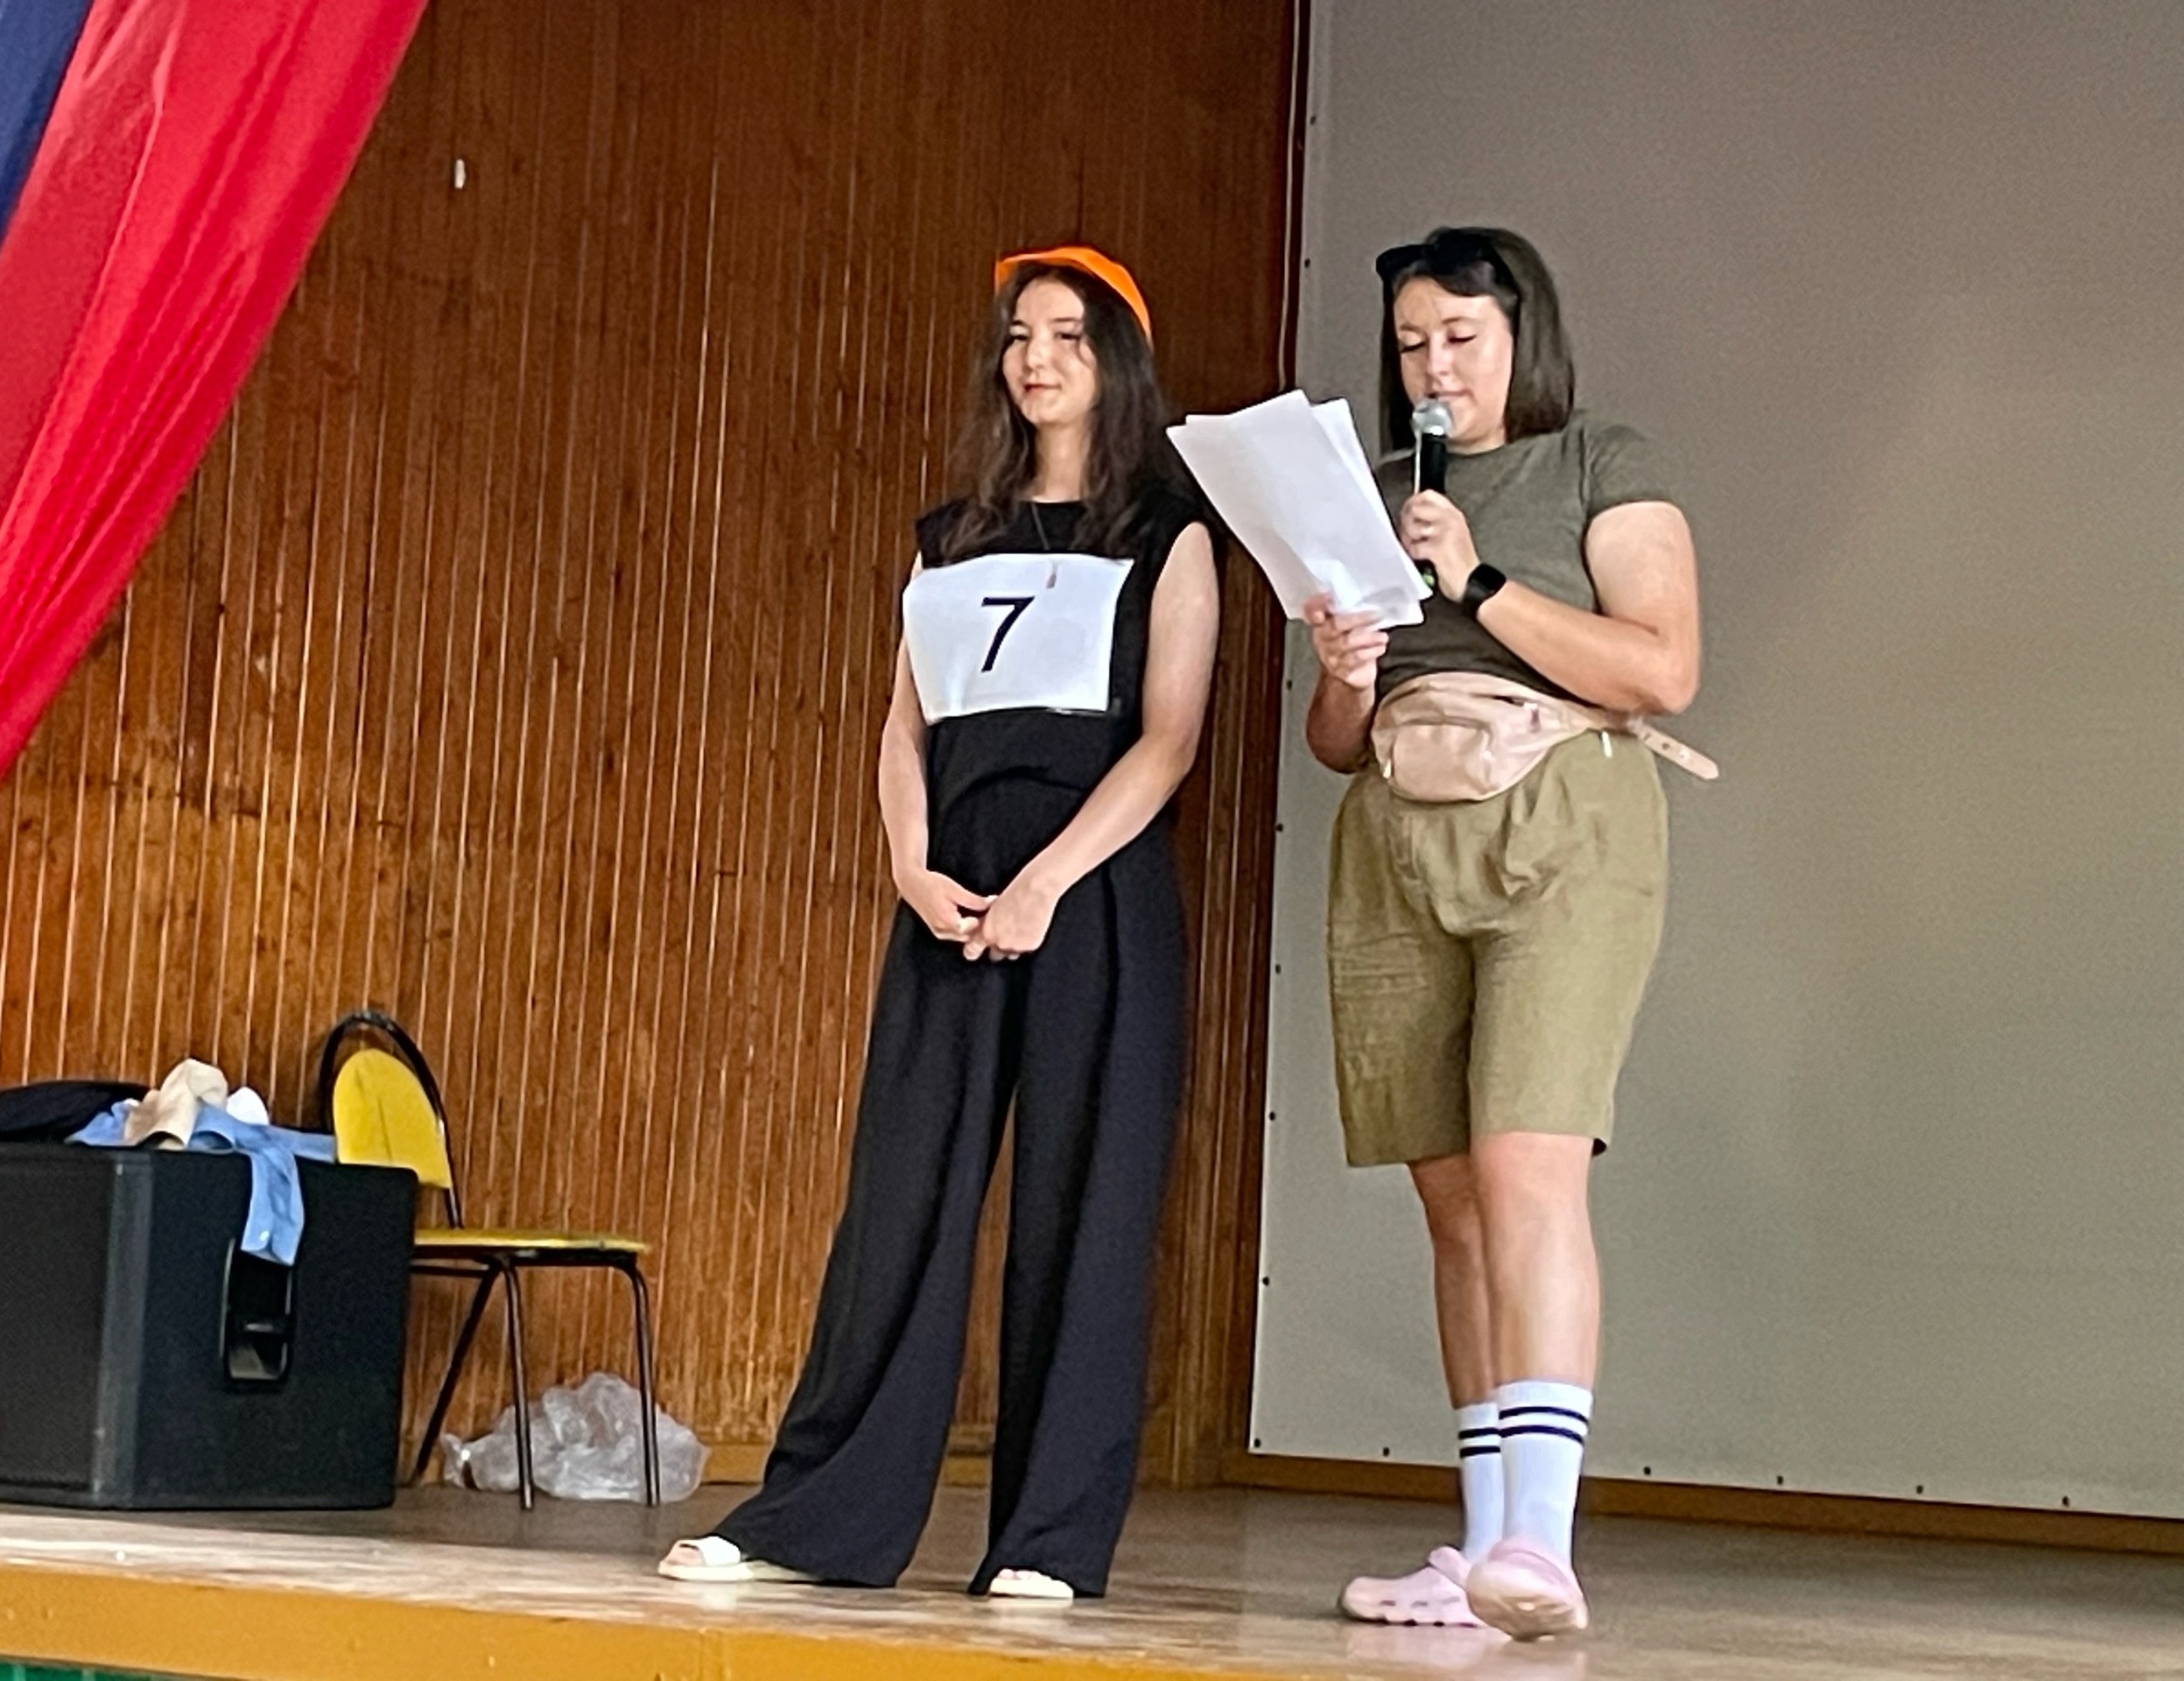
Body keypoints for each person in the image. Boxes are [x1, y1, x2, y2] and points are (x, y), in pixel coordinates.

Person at [657, 246, 1219, 1603]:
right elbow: (901, 726)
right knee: (900, 1198)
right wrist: (911, 863)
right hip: (950, 887)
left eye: (1068, 336)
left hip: (1093, 887)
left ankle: (1048, 1542)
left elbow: (1169, 740)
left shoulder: (1168, 534)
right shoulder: (951, 537)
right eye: (1020, 335)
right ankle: (814, 1520)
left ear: (1117, 362)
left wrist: (1051, 882)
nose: (1037, 359)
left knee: (1084, 1212)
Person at [1312, 227, 1703, 1639]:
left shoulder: (1599, 459)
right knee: (1451, 1197)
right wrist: (1344, 669)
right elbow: (1333, 742)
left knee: (1528, 1164)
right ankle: (1482, 1549)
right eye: (1412, 344)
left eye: (1461, 339)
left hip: (1564, 812)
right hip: (1398, 826)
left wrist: (1476, 582)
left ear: (1523, 335)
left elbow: (1662, 666)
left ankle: (1543, 1537)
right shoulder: (1370, 494)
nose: (1435, 367)